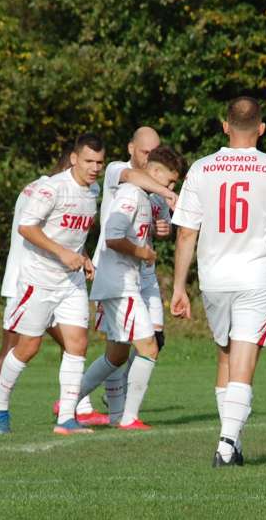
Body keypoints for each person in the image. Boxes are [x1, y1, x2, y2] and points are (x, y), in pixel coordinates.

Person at [170, 96, 266, 467]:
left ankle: (232, 443)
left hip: (215, 279)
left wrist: (179, 287)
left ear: (225, 125)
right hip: (255, 277)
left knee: (227, 357)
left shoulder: (201, 169)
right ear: (261, 128)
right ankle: (225, 445)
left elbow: (186, 234)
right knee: (244, 361)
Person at [0, 151, 109, 429]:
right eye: (88, 162)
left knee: (77, 343)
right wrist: (61, 253)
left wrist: (83, 257)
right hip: (37, 280)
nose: (94, 168)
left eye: (99, 163)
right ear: (73, 160)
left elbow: (73, 234)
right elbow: (26, 228)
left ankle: (67, 417)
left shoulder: (92, 190)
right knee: (26, 347)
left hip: (70, 282)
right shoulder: (48, 188)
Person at [81, 146, 186, 429]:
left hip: (130, 282)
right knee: (149, 347)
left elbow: (138, 232)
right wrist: (142, 253)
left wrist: (157, 231)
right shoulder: (129, 191)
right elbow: (114, 237)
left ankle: (70, 403)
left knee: (117, 355)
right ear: (153, 172)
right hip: (120, 282)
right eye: (170, 181)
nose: (171, 187)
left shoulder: (147, 197)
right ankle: (129, 417)